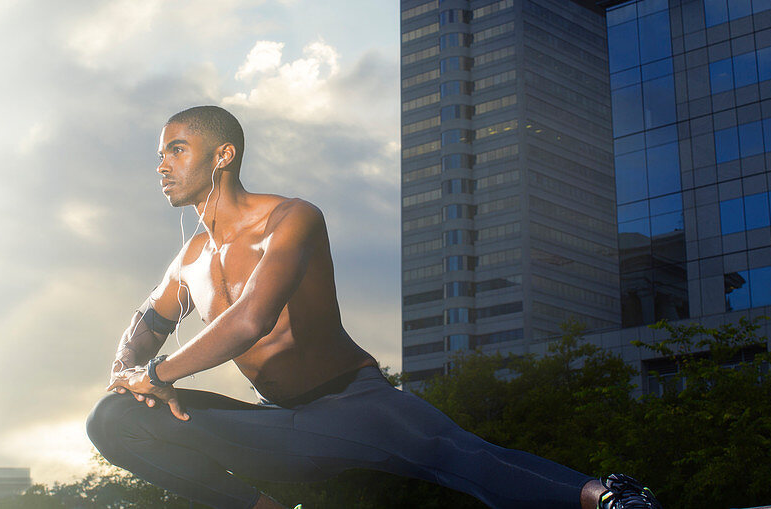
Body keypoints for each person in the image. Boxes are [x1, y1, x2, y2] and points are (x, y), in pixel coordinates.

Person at [86, 105, 661, 509]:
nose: (162, 165)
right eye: (160, 155)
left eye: (176, 150)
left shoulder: (291, 218)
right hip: (282, 427)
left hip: (354, 405)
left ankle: (613, 498)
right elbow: (148, 322)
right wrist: (126, 372)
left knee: (459, 456)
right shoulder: (187, 261)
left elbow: (251, 320)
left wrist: (156, 374)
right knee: (112, 419)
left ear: (223, 154)